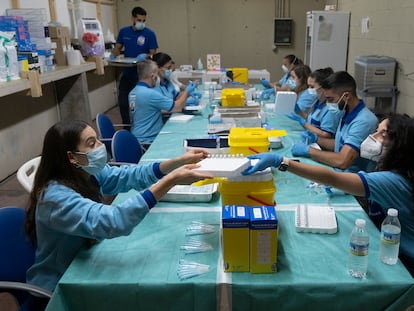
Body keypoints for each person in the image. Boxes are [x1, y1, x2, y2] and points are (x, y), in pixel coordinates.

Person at [24, 119, 213, 310]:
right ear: (72, 157)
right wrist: (169, 181)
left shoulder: (86, 172)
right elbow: (113, 221)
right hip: (57, 290)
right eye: (91, 143)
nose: (100, 146)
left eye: (98, 139)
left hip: (85, 261)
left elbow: (127, 176)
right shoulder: (55, 200)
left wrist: (177, 162)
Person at [243, 113, 414, 277]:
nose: (373, 136)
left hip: (403, 261)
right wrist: (351, 186)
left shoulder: (393, 180)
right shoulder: (401, 171)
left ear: (400, 144)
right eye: (376, 130)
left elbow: (331, 177)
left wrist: (281, 161)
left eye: (382, 134)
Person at [291, 71, 378, 173]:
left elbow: (342, 160)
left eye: (331, 99)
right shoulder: (345, 112)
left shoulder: (364, 121)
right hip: (339, 172)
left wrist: (308, 150)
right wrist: (316, 139)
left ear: (346, 96)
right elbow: (340, 145)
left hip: (352, 180)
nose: (328, 104)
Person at [110, 6, 159, 125]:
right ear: (133, 18)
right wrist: (111, 56)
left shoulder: (149, 34)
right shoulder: (124, 32)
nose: (141, 23)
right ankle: (126, 127)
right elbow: (118, 48)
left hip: (142, 75)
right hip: (127, 73)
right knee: (123, 102)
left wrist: (145, 56)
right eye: (139, 20)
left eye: (144, 21)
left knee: (140, 104)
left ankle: (141, 126)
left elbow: (153, 53)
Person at [129, 60, 195, 146]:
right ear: (153, 76)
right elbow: (177, 107)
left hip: (137, 137)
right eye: (157, 74)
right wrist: (187, 91)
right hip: (149, 140)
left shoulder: (133, 92)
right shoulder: (150, 94)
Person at [286, 67, 341, 139]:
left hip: (320, 144)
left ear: (323, 88)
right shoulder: (318, 101)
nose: (309, 90)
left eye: (312, 87)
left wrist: (304, 123)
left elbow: (326, 135)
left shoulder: (331, 109)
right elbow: (310, 119)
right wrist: (299, 111)